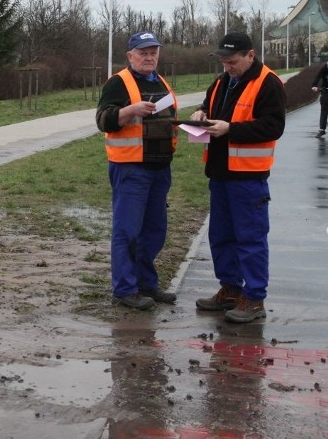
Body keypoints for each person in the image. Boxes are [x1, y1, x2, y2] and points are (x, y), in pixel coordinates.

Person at [191, 32, 286, 323]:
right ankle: (230, 290)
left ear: (250, 56)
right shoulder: (222, 81)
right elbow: (209, 105)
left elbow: (273, 127)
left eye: (232, 62)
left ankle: (254, 299)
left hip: (248, 176)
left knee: (250, 238)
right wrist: (199, 113)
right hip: (220, 173)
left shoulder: (268, 83)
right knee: (221, 236)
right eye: (223, 62)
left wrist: (230, 129)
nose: (227, 67)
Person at [96, 31, 179, 310]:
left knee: (154, 230)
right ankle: (124, 290)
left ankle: (146, 284)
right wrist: (129, 110)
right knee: (128, 231)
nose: (149, 57)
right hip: (130, 168)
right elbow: (103, 120)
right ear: (130, 56)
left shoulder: (161, 82)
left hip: (159, 167)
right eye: (143, 52)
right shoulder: (118, 83)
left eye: (153, 51)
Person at [310, 61, 328, 137]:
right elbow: (318, 76)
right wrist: (314, 85)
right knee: (324, 110)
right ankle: (322, 129)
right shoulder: (326, 67)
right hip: (326, 91)